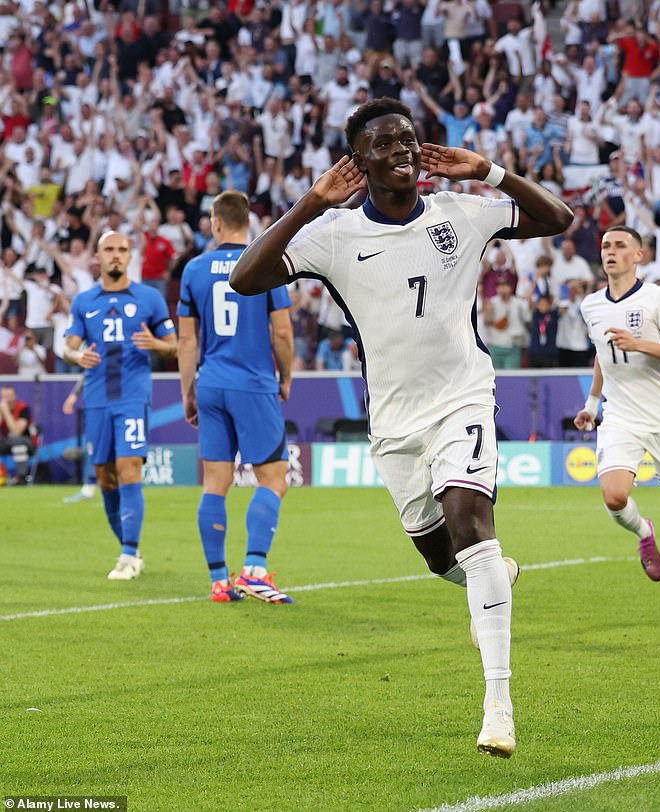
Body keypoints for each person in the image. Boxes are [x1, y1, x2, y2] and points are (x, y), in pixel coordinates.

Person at [229, 98, 573, 758]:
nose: (405, 152)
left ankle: (498, 706)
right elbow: (248, 278)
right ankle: (494, 576)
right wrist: (310, 203)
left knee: (471, 520)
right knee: (443, 557)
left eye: (410, 140)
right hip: (393, 422)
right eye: (386, 144)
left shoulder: (459, 213)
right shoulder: (334, 238)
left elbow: (559, 218)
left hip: (463, 398)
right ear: (359, 163)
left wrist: (490, 172)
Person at [574, 226, 660, 617]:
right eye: (605, 246)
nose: (611, 252)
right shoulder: (591, 306)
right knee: (614, 497)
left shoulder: (658, 298)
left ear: (639, 256)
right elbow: (603, 353)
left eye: (620, 246)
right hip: (618, 414)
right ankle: (644, 532)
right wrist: (592, 401)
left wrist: (639, 344)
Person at [177, 191, 296, 604]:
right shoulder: (265, 262)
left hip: (210, 383)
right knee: (274, 478)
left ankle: (218, 582)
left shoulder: (193, 269)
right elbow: (281, 332)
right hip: (252, 382)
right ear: (249, 222)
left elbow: (186, 340)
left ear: (215, 223)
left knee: (215, 483)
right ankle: (254, 570)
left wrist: (188, 391)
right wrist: (286, 377)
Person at [63, 231, 178, 580]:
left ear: (131, 257)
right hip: (97, 399)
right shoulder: (84, 301)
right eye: (109, 250)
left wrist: (156, 344)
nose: (116, 255)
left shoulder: (150, 298)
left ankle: (127, 555)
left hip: (132, 396)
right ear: (98, 257)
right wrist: (76, 355)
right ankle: (132, 549)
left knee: (129, 467)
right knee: (106, 477)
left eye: (122, 250)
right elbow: (68, 346)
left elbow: (175, 346)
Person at [62, 378, 99, 503]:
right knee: (92, 447)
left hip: (118, 403)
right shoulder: (94, 364)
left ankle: (122, 488)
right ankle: (89, 488)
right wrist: (74, 395)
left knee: (113, 447)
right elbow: (88, 371)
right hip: (96, 406)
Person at [0, 383, 35, 485]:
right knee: (13, 442)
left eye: (9, 396)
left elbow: (16, 432)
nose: (7, 399)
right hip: (7, 442)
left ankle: (22, 477)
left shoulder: (23, 408)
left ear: (14, 396)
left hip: (26, 441)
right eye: (4, 397)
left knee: (18, 442)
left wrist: (6, 412)